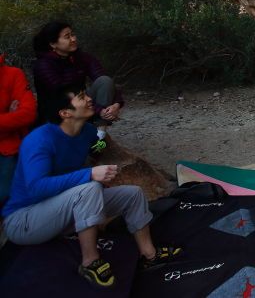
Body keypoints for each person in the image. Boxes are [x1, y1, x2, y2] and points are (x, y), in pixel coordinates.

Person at [1, 88, 182, 288]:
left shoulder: (84, 131)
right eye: (81, 97)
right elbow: (36, 188)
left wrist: (101, 139)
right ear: (65, 113)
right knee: (89, 188)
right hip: (24, 220)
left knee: (133, 194)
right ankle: (90, 261)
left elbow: (98, 145)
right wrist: (89, 174)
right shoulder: (39, 141)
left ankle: (149, 254)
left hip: (62, 212)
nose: (89, 98)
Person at [32, 22, 123, 141]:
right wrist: (99, 110)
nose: (73, 39)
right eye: (67, 36)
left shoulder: (81, 57)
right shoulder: (43, 65)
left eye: (73, 34)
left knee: (104, 81)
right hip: (59, 111)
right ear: (53, 43)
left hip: (82, 104)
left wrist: (116, 104)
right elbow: (64, 94)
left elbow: (103, 79)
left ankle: (100, 134)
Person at [0, 53, 37, 207]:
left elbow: (28, 113)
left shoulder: (13, 74)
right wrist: (10, 117)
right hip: (9, 136)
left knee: (6, 195)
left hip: (9, 147)